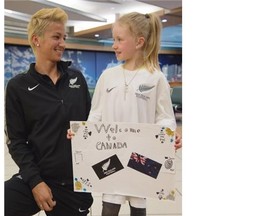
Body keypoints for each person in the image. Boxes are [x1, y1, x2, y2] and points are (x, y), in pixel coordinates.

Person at [68, 11, 182, 216]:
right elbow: (96, 114)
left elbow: (164, 117)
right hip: (111, 153)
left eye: (119, 39)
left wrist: (168, 138)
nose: (114, 45)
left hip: (142, 157)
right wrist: (82, 135)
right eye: (114, 39)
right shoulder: (107, 76)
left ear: (139, 42)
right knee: (110, 206)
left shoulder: (156, 78)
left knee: (139, 205)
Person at [4, 7, 93, 216]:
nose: (63, 43)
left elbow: (94, 126)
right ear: (36, 40)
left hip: (74, 182)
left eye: (64, 37)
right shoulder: (18, 86)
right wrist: (35, 182)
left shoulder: (77, 80)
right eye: (56, 37)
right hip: (36, 176)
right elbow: (16, 142)